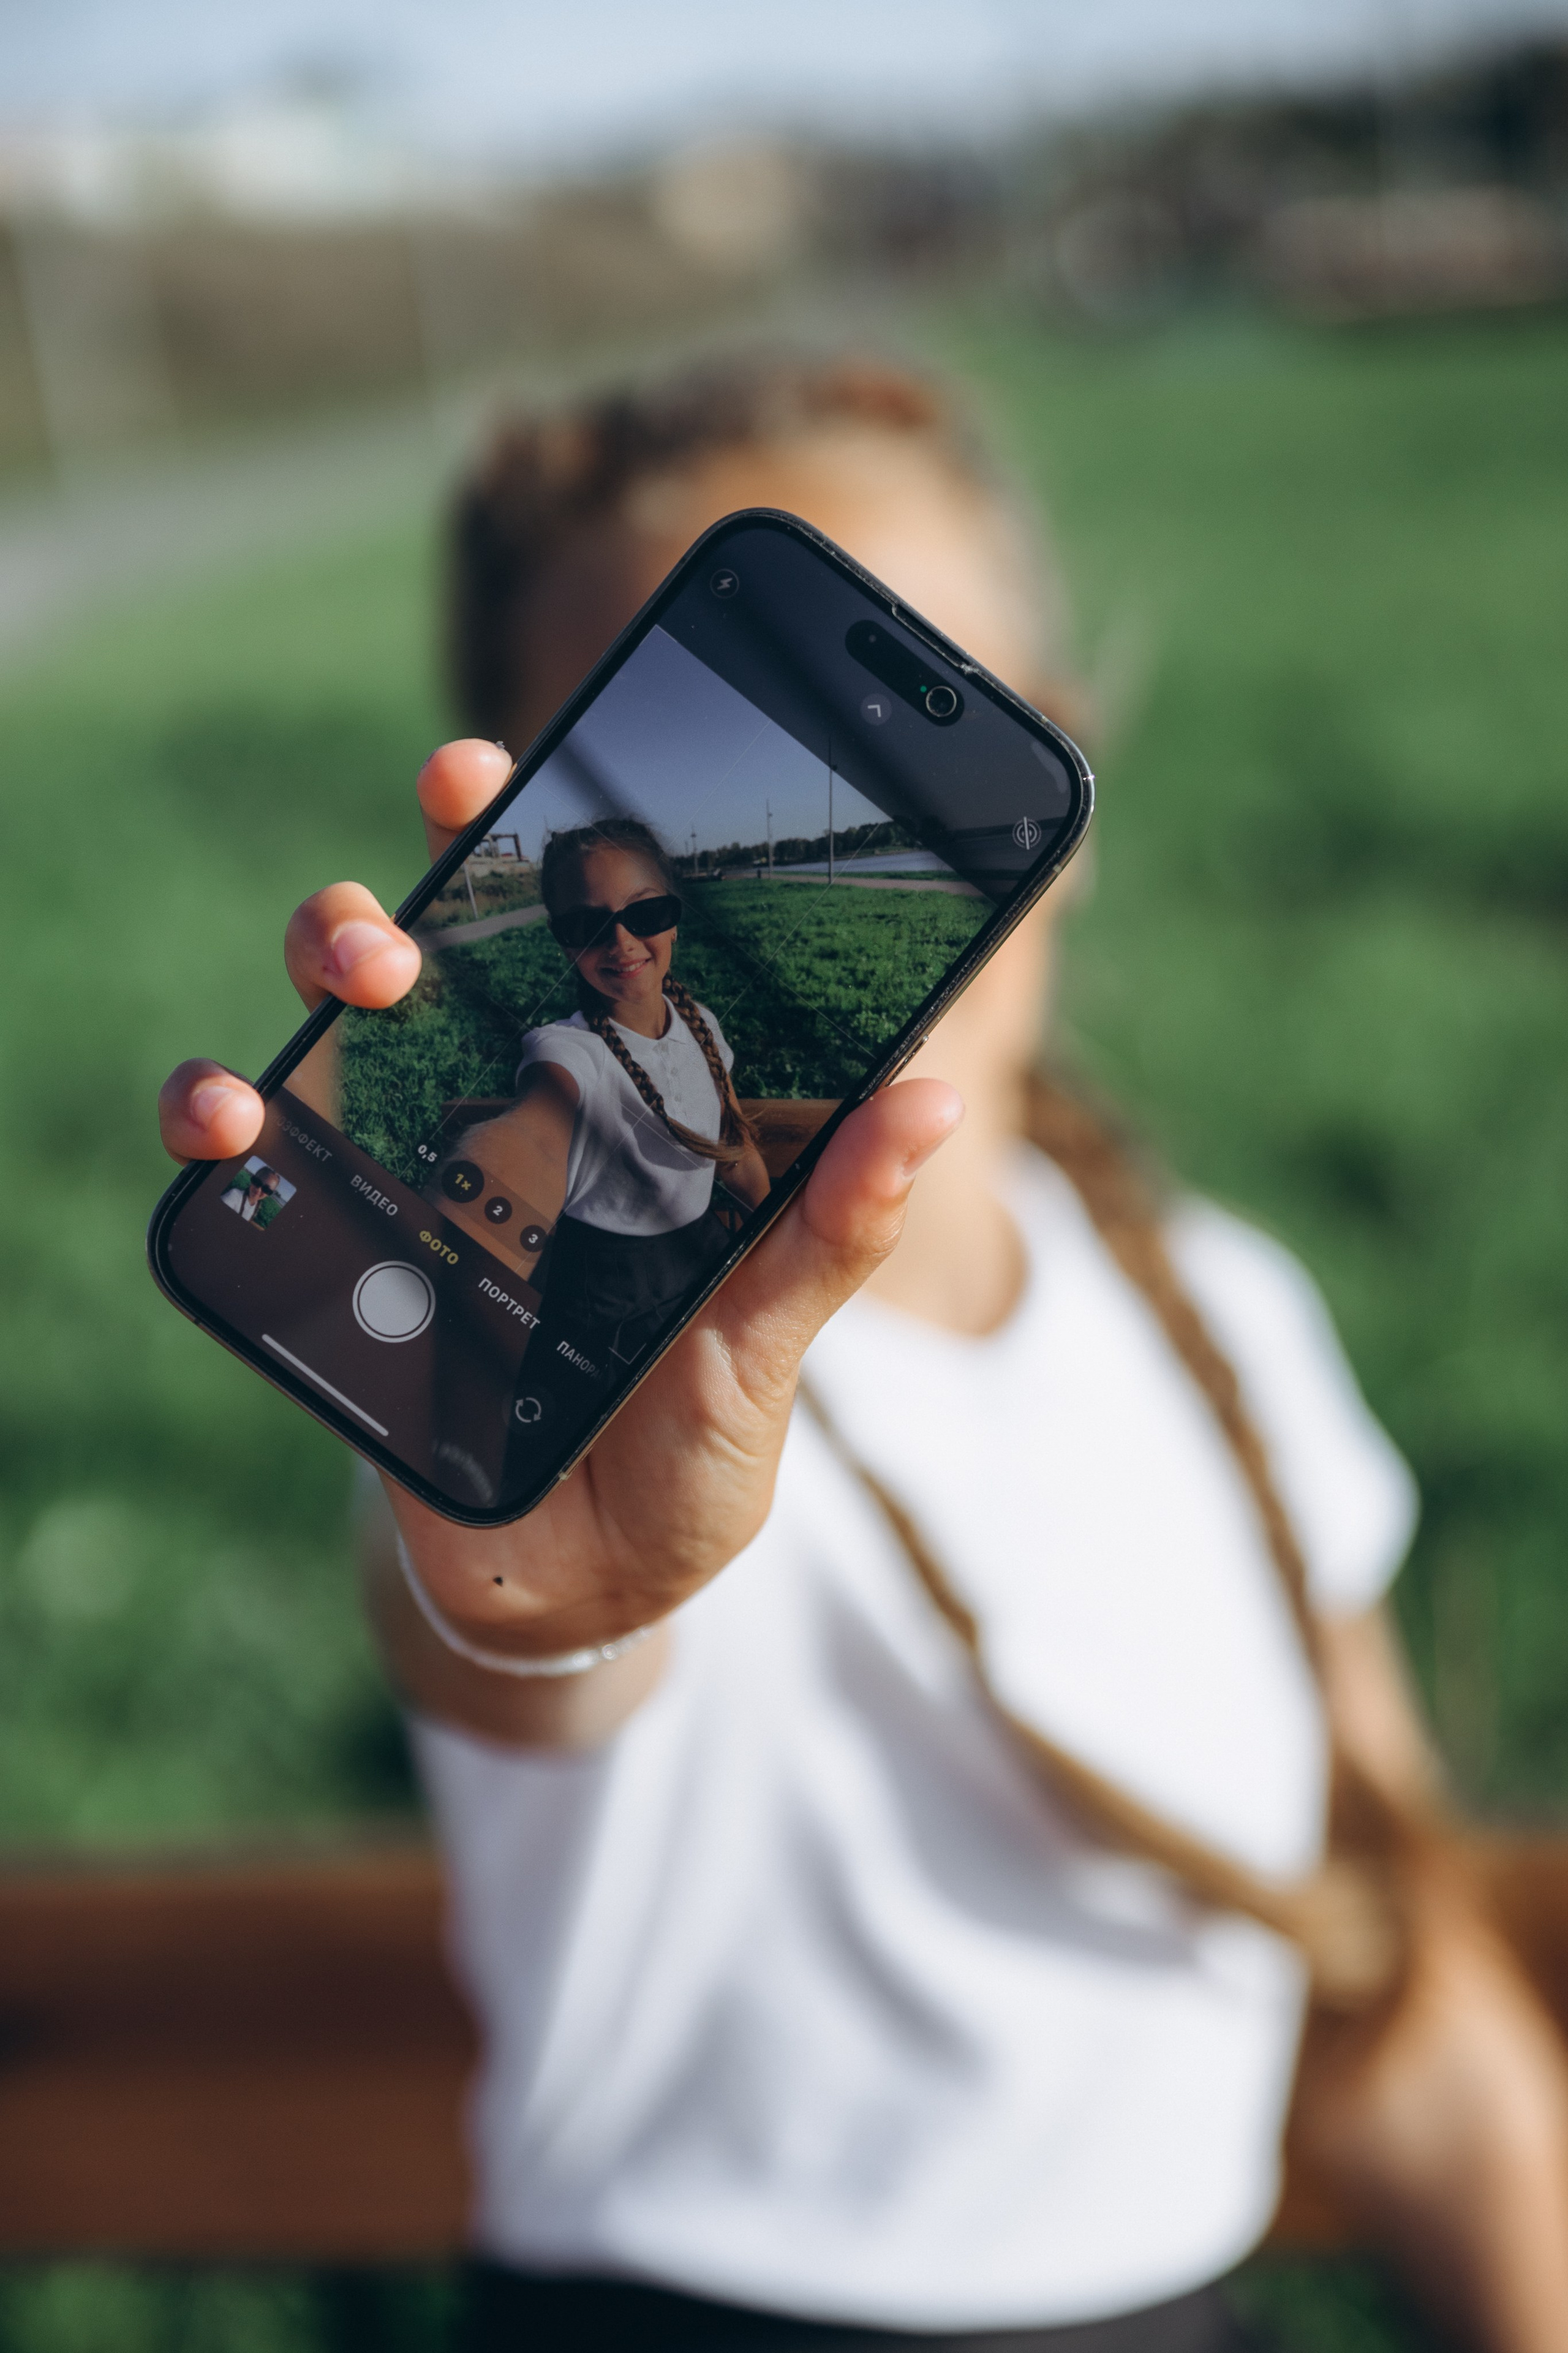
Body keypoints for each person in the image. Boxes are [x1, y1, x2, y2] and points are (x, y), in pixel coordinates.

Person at [157, 357, 1568, 2352]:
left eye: (938, 756)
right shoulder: (568, 1357)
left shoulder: (1226, 1316)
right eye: (688, 806)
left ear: (1067, 788)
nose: (787, 886)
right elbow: (521, 1638)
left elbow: (1414, 2015)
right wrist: (524, 1580)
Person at [437, 817, 770, 1397]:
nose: (621, 944)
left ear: (675, 917)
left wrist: (770, 1239)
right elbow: (534, 1136)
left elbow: (733, 1147)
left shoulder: (702, 1024)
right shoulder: (569, 1051)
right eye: (589, 926)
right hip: (614, 1305)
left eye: (644, 914)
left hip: (704, 1257)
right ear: (563, 940)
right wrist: (458, 1254)